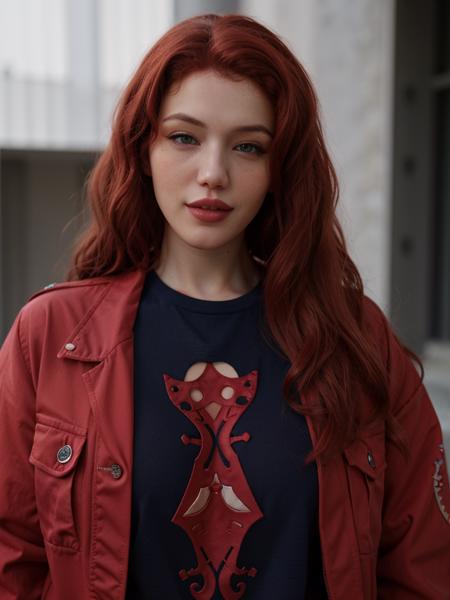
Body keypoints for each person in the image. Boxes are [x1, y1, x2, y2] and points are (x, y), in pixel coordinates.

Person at [0, 12, 449, 600]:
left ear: (278, 170)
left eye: (248, 146)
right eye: (184, 137)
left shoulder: (356, 339)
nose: (213, 173)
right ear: (144, 149)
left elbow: (421, 570)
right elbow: (13, 559)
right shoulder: (52, 337)